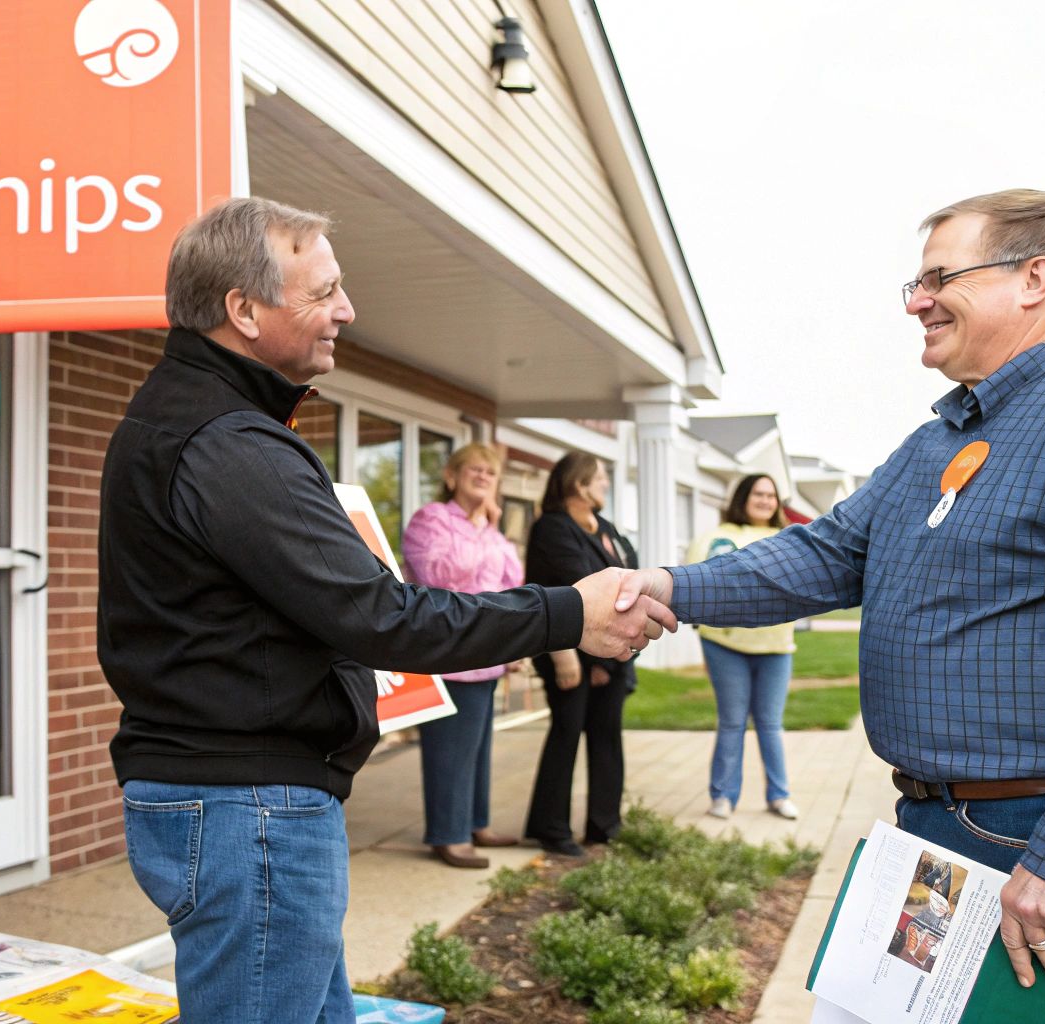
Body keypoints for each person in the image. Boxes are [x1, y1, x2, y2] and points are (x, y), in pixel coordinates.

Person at [615, 190, 1045, 1023]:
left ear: (1036, 279)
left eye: (940, 277)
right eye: (915, 282)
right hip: (948, 831)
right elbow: (831, 552)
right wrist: (670, 587)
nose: (915, 300)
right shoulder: (943, 439)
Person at [96, 196, 676, 1024]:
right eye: (322, 291)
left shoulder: (207, 423)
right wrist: (566, 614)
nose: (347, 310)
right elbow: (384, 616)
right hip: (249, 811)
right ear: (243, 311)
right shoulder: (229, 445)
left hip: (240, 802)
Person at [401, 443, 525, 869]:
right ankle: (448, 834)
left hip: (486, 650)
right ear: (451, 476)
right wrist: (478, 528)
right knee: (450, 747)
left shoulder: (491, 531)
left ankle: (475, 822)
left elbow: (512, 581)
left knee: (478, 744)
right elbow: (438, 574)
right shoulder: (431, 519)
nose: (483, 477)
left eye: (490, 473)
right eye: (474, 470)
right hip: (447, 648)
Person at [521, 453, 638, 859]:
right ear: (578, 483)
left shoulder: (604, 527)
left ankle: (605, 826)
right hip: (569, 653)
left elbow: (631, 572)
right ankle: (550, 827)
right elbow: (578, 586)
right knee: (567, 733)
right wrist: (587, 661)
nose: (605, 483)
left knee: (607, 738)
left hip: (613, 653)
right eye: (600, 477)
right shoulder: (553, 528)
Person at [684, 473, 799, 821]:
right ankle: (723, 796)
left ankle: (779, 795)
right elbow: (695, 579)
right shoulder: (716, 537)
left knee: (770, 723)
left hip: (776, 647)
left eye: (771, 495)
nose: (765, 500)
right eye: (758, 494)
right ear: (743, 497)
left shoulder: (790, 538)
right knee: (732, 721)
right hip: (725, 644)